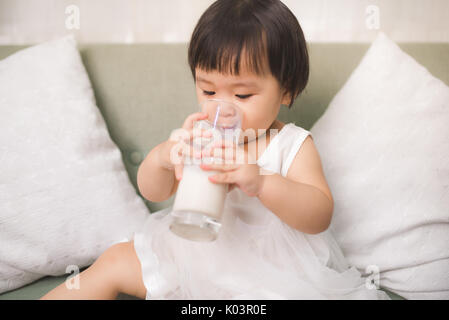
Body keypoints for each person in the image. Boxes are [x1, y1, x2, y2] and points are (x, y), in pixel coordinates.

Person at [41, 0, 390, 300]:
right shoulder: (203, 135)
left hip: (268, 272)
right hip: (195, 252)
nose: (223, 107)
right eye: (208, 90)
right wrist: (164, 158)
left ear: (286, 90)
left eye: (241, 95)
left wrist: (262, 182)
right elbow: (154, 190)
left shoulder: (292, 145)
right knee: (116, 260)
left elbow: (319, 215)